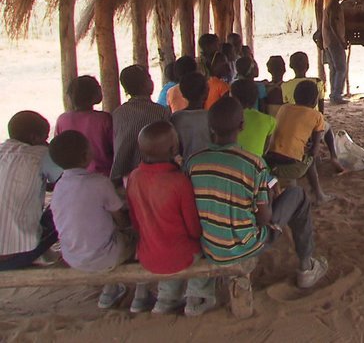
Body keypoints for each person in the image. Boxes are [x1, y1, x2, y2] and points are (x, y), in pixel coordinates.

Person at [187, 97, 328, 289]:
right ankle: (306, 267)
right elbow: (264, 218)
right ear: (242, 125)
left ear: (209, 127)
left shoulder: (194, 162)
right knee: (298, 195)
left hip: (210, 244)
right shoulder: (254, 164)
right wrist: (268, 198)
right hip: (246, 246)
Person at [49, 130, 149, 311]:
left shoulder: (59, 187)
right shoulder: (99, 182)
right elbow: (121, 219)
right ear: (87, 155)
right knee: (140, 235)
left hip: (72, 257)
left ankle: (109, 291)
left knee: (103, 235)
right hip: (105, 256)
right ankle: (141, 293)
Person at [126, 121, 216, 316]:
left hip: (148, 255)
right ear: (174, 148)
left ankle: (166, 299)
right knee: (206, 246)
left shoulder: (134, 177)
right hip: (181, 256)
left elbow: (135, 221)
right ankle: (197, 297)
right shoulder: (179, 181)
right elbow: (193, 229)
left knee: (164, 245)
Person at [0, 111, 62, 271]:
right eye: (45, 137)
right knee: (66, 205)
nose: (46, 142)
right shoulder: (40, 154)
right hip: (14, 257)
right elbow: (68, 183)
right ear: (35, 138)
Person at [265, 81, 336, 204]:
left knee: (304, 153)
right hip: (291, 167)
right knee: (310, 158)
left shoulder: (284, 108)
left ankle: (317, 193)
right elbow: (314, 152)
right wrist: (311, 147)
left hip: (269, 161)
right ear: (315, 101)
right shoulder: (317, 116)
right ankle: (319, 195)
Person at [282, 51, 344, 173]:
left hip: (293, 125)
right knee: (328, 129)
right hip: (313, 125)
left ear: (290, 67)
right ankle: (333, 156)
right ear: (308, 65)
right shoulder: (316, 82)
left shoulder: (285, 86)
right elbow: (321, 108)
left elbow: (286, 106)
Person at [110, 65, 170, 185]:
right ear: (144, 85)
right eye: (149, 78)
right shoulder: (160, 111)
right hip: (154, 174)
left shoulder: (118, 113)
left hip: (125, 176)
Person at [55, 75, 114, 176]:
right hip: (102, 175)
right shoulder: (104, 119)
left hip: (71, 176)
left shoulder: (62, 119)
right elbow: (114, 148)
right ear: (95, 94)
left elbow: (57, 150)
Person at [171, 72, 211, 162]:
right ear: (206, 92)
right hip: (209, 166)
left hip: (186, 167)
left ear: (183, 94)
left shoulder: (176, 118)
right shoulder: (211, 117)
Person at [231, 79, 277, 157]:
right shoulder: (269, 121)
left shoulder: (226, 117)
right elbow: (266, 150)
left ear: (232, 96)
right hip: (253, 165)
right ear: (256, 98)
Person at [322, 0, 348, 104]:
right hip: (334, 42)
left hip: (328, 41)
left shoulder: (329, 6)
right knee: (341, 68)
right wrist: (340, 41)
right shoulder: (334, 6)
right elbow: (333, 24)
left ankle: (333, 95)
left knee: (334, 69)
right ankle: (337, 95)